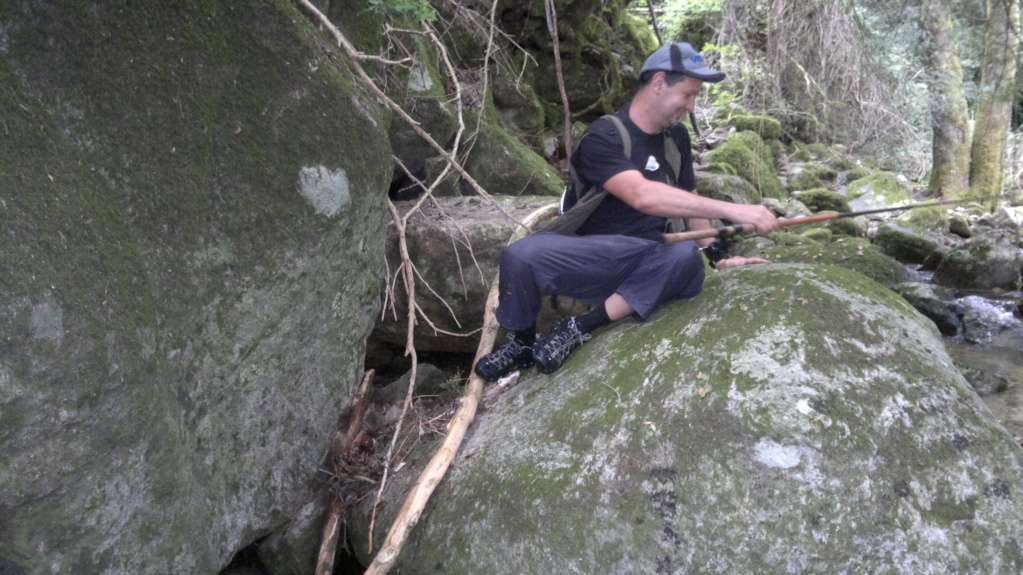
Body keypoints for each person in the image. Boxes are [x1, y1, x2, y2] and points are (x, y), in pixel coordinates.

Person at [474, 41, 778, 382]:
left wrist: (715, 257)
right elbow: (642, 195)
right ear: (659, 82)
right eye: (688, 94)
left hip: (651, 257)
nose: (691, 106)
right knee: (520, 255)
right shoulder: (603, 136)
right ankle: (523, 343)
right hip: (594, 258)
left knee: (684, 256)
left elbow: (687, 196)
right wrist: (736, 210)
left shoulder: (676, 137)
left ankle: (579, 328)